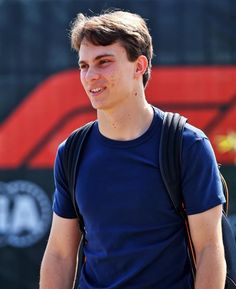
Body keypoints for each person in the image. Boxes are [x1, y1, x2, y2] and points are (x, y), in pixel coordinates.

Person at [40, 9, 226, 289]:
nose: (90, 75)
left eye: (103, 62)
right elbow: (59, 255)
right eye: (84, 65)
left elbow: (210, 251)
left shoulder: (186, 145)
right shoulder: (72, 151)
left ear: (139, 66)